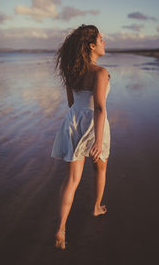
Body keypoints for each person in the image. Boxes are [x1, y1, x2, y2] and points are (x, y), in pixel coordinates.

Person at [51, 24, 111, 250]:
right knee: (100, 168)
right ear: (92, 46)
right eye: (101, 39)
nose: (105, 42)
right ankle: (96, 206)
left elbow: (70, 103)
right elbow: (100, 108)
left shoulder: (71, 71)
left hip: (73, 122)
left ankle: (62, 228)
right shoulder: (100, 72)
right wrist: (97, 139)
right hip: (94, 125)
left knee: (72, 180)